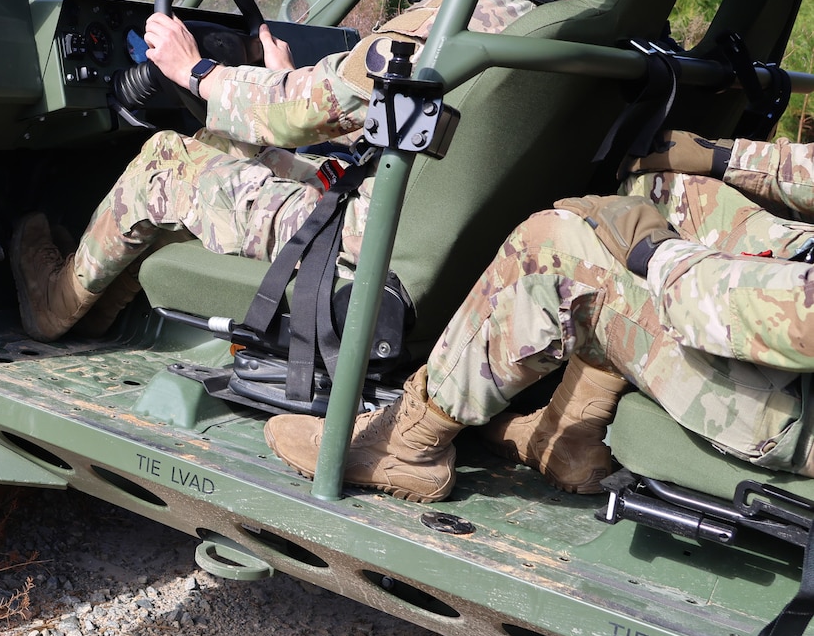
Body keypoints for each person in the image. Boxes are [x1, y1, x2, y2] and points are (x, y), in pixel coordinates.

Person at [9, 0, 569, 342]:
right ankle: (100, 310)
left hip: (362, 243)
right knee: (221, 142)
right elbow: (365, 105)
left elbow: (302, 114)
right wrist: (281, 76)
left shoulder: (450, 24)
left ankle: (52, 306)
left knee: (166, 162)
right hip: (423, 230)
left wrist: (195, 69)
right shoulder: (548, 11)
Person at [266, 192, 814, 503]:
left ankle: (409, 443)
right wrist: (722, 159)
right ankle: (570, 437)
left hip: (791, 407)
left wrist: (659, 254)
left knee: (557, 250)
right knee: (670, 188)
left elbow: (784, 317)